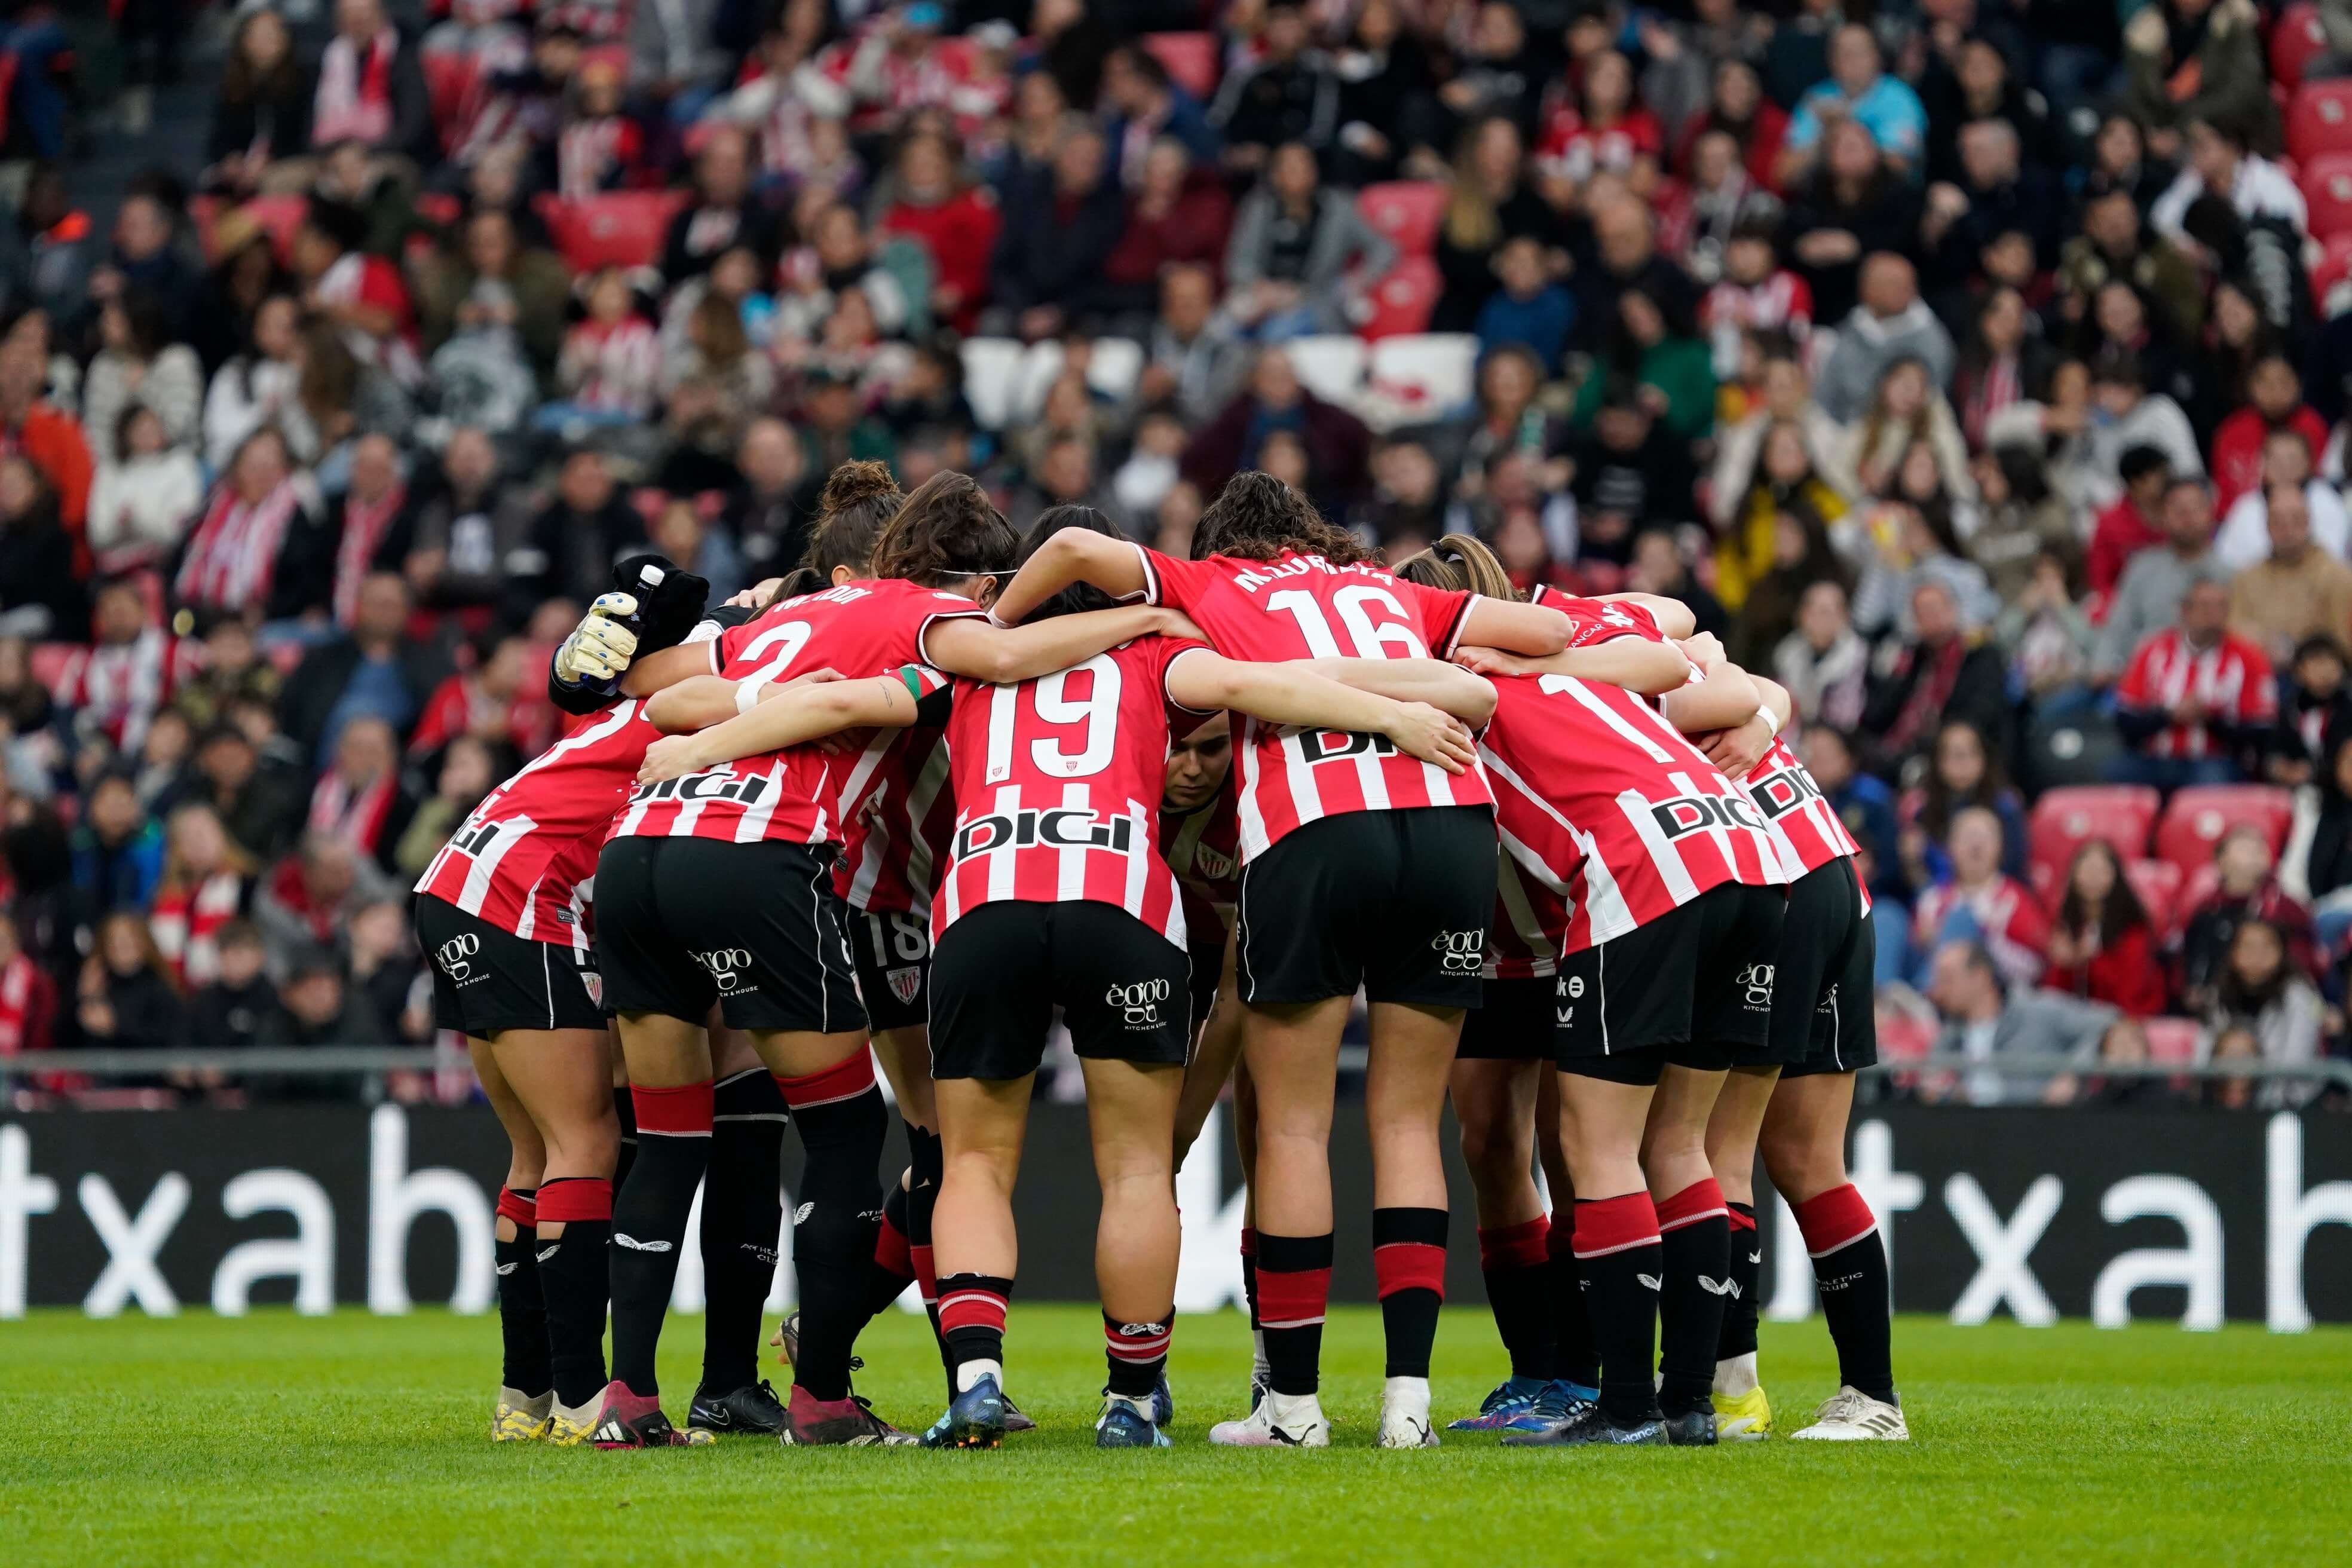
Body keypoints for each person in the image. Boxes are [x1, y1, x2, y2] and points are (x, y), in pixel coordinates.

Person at [577, 471, 1221, 1447]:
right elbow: (982, 656)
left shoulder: (788, 617)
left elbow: (642, 684)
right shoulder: (944, 635)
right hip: (856, 892)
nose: (996, 591)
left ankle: (648, 1388)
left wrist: (673, 698)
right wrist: (1154, 617)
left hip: (690, 867)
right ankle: (838, 1379)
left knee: (734, 1140)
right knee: (889, 1143)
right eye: (986, 576)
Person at [986, 471, 1576, 1448]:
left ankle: (1294, 1408)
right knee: (1403, 1121)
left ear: (1226, 543)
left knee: (1295, 1128)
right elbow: (1541, 639)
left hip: (1313, 825)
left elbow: (1077, 551)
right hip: (1449, 822)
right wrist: (1397, 670)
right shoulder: (1392, 591)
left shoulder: (1220, 585)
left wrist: (1002, 628)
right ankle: (1407, 1404)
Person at [1924, 939, 2133, 1105]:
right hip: (1974, 1140)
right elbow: (1933, 1081)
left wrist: (2073, 1074)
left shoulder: (2037, 1010)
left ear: (1980, 976)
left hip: (2038, 1133)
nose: (1938, 990)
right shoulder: (1950, 1033)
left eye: (1947, 979)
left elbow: (2109, 1023)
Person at [2112, 577, 2275, 790]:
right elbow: (2125, 719)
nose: (2214, 614)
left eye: (2221, 606)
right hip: (2154, 759)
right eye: (2205, 606)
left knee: (2210, 785)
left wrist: (2209, 719)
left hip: (2217, 760)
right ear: (2184, 610)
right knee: (2113, 776)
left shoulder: (2250, 657)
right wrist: (2169, 716)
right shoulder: (2152, 651)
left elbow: (2261, 730)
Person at [1222, 141, 1395, 342]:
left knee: (1275, 337)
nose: (1297, 172)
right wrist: (1261, 287)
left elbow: (1384, 249)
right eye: (1288, 167)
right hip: (1263, 300)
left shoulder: (1340, 209)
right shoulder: (1258, 207)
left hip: (1315, 301)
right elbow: (1238, 263)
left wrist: (1358, 281)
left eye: (1303, 165)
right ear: (1275, 175)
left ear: (1315, 171)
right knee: (1221, 332)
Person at [2094, 477, 2221, 684]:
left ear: (2211, 513)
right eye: (2178, 510)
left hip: (2194, 679)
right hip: (2129, 673)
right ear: (2163, 517)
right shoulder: (2142, 567)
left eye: (2195, 508)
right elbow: (2117, 627)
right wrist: (2103, 665)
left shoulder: (2230, 573)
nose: (2187, 517)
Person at [1910, 807, 2049, 987]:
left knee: (1961, 918)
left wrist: (1985, 942)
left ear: (2000, 847)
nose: (1976, 846)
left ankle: (1929, 994)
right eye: (1967, 838)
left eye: (1984, 838)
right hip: (1923, 976)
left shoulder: (2015, 900)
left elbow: (2037, 968)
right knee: (1888, 914)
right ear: (1950, 848)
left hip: (1991, 992)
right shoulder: (1931, 899)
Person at [1814, 255, 1957, 425]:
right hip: (1847, 433)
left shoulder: (1933, 341)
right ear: (1867, 289)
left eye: (1908, 284)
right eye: (1893, 283)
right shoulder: (1849, 331)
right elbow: (1828, 397)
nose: (1905, 290)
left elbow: (1933, 403)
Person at [2206, 918, 2325, 1110]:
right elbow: (2207, 1052)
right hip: (2225, 1102)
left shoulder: (2300, 996)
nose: (2257, 956)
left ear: (2282, 952)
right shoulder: (2218, 994)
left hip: (2292, 1103)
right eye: (2249, 946)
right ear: (2234, 952)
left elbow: (2297, 1063)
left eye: (2267, 947)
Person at [2225, 487, 2352, 668]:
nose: (2287, 528)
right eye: (2278, 521)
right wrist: (2263, 641)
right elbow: (2232, 632)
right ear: (2267, 526)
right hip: (2261, 675)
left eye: (2296, 519)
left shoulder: (2339, 577)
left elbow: (2344, 645)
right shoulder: (2245, 580)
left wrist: (2302, 653)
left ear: (2308, 522)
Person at [2045, 841, 2169, 1016]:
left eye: (2101, 871)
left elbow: (2129, 995)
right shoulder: (2067, 925)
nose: (2093, 878)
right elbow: (2054, 996)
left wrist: (2089, 961)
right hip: (2076, 1019)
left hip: (2126, 1019)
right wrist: (2065, 965)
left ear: (2116, 876)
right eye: (2087, 869)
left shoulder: (2133, 929)